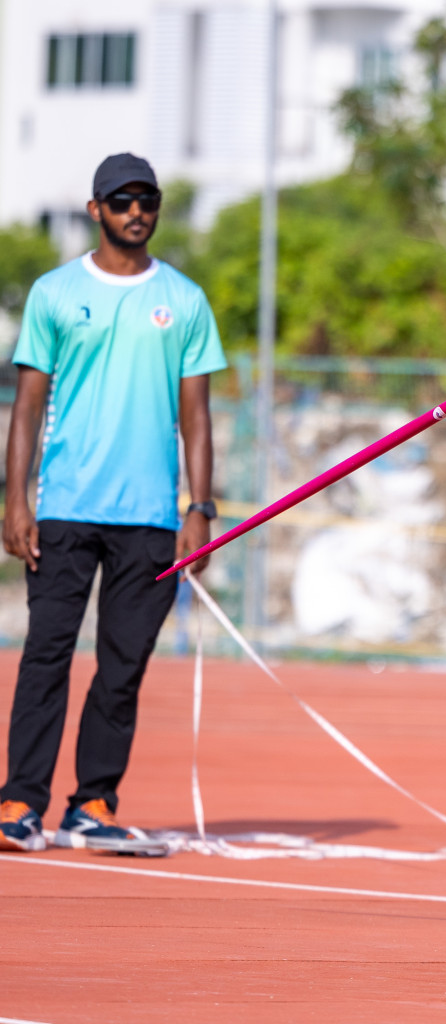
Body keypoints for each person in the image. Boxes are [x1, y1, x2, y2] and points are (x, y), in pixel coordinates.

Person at [0, 153, 225, 856]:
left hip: (153, 517)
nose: (137, 211)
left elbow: (197, 415)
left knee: (123, 664)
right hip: (66, 507)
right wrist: (16, 500)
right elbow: (28, 403)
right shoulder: (56, 292)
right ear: (97, 209)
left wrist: (201, 508)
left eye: (147, 199)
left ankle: (92, 803)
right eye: (122, 200)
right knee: (47, 655)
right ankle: (17, 803)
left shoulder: (184, 299)